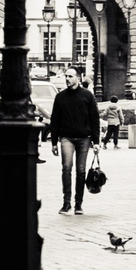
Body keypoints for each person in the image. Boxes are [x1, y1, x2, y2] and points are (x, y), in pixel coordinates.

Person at [48, 66, 101, 214]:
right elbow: (55, 120)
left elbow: (94, 119)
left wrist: (96, 142)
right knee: (66, 168)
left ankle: (78, 204)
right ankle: (66, 203)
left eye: (70, 76)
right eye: (66, 76)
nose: (67, 79)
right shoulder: (60, 97)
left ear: (78, 78)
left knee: (81, 171)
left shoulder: (87, 96)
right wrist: (53, 142)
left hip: (84, 138)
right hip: (67, 138)